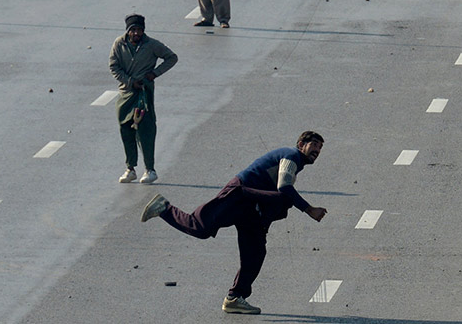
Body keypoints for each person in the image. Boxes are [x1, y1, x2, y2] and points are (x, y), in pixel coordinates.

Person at [140, 131, 328, 316]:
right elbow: (284, 186)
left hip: (252, 208)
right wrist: (309, 209)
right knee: (200, 227)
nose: (317, 151)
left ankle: (235, 298)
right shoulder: (292, 155)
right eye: (314, 145)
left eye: (320, 148)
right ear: (301, 143)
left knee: (255, 253)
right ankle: (163, 208)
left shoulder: (297, 162)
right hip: (239, 194)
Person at [109, 14, 178, 185]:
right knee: (126, 129)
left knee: (145, 130)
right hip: (126, 93)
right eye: (133, 30)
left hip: (144, 94)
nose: (136, 33)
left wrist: (153, 74)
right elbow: (114, 66)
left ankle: (150, 169)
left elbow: (172, 58)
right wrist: (130, 81)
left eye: (139, 30)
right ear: (128, 31)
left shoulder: (152, 45)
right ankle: (130, 168)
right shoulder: (119, 44)